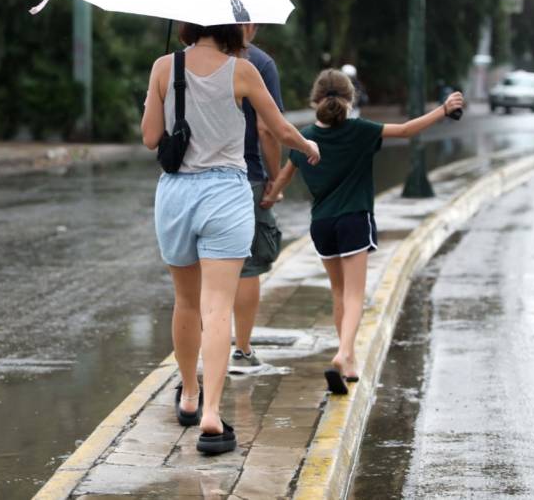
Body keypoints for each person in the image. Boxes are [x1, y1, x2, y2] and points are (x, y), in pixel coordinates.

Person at [141, 23, 320, 454]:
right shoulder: (243, 71)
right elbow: (278, 129)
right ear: (230, 26)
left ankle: (188, 394)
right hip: (225, 193)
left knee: (185, 301)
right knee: (217, 305)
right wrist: (308, 148)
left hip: (176, 194)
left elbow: (150, 139)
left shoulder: (164, 67)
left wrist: (168, 100)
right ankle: (211, 415)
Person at [261, 69, 463, 395]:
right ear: (350, 98)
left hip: (322, 225)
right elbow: (408, 130)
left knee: (339, 294)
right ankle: (342, 353)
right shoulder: (361, 130)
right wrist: (443, 109)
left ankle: (350, 361)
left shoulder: (305, 137)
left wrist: (270, 198)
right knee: (356, 295)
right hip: (354, 219)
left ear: (314, 100)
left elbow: (284, 175)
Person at [229, 23, 284, 374]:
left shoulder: (177, 64)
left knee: (201, 274)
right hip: (244, 175)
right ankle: (242, 349)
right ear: (247, 25)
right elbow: (268, 127)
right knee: (246, 268)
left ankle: (196, 364)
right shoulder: (258, 63)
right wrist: (275, 177)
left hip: (189, 177)